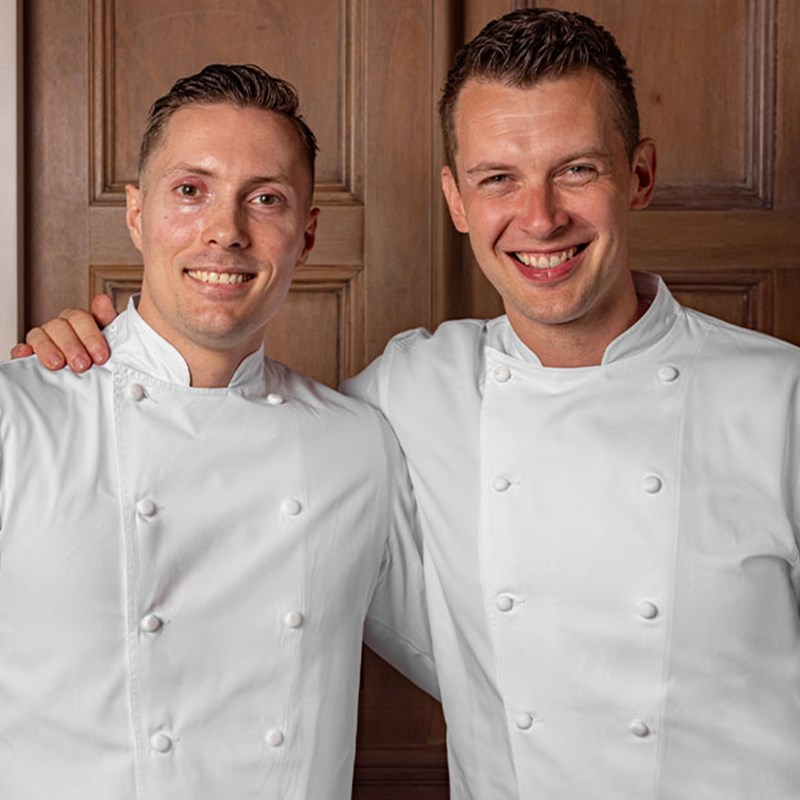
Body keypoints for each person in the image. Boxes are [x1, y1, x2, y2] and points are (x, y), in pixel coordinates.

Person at [16, 8, 800, 800]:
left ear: (638, 175)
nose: (539, 217)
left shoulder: (780, 400)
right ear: (457, 200)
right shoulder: (407, 393)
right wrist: (79, 356)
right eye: (499, 178)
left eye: (577, 170)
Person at [0, 63, 437, 800]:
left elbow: (473, 647)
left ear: (306, 234)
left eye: (265, 199)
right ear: (137, 214)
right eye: (190, 190)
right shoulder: (18, 420)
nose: (225, 232)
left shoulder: (359, 447)